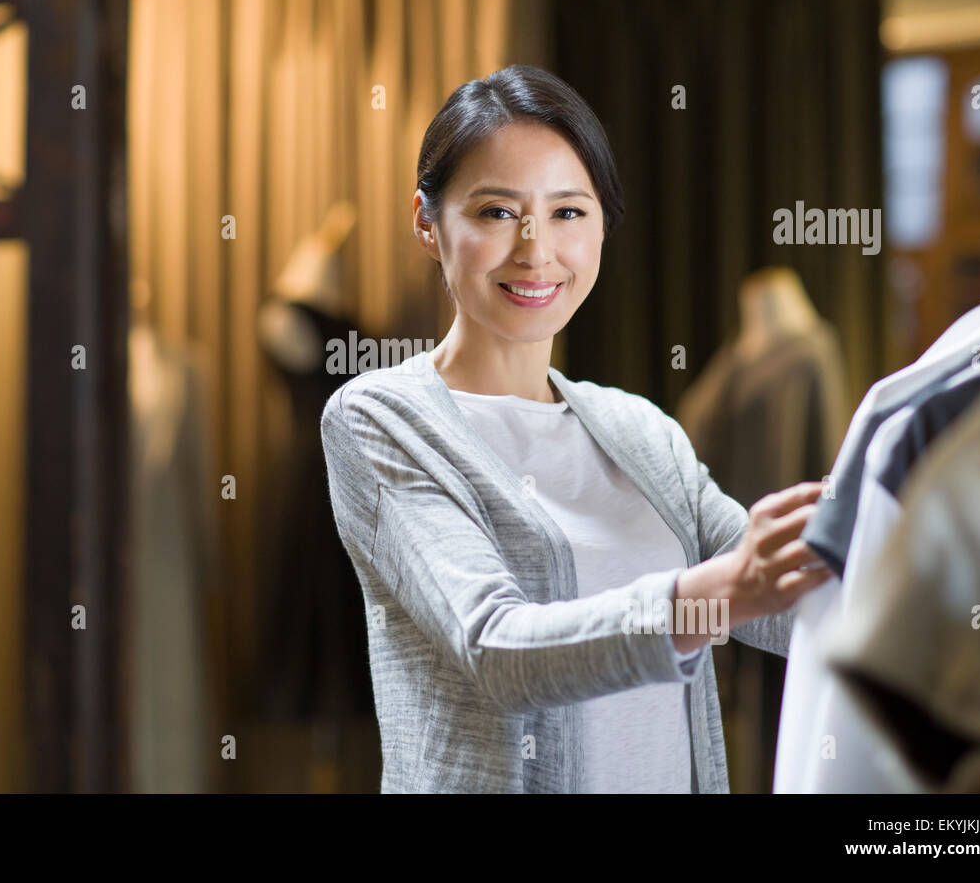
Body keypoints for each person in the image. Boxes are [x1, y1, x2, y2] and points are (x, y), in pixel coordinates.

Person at [320, 64, 831, 793]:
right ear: (428, 225)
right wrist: (725, 589)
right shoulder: (382, 419)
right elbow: (500, 650)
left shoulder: (641, 431)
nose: (536, 250)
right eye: (496, 212)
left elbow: (779, 607)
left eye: (568, 212)